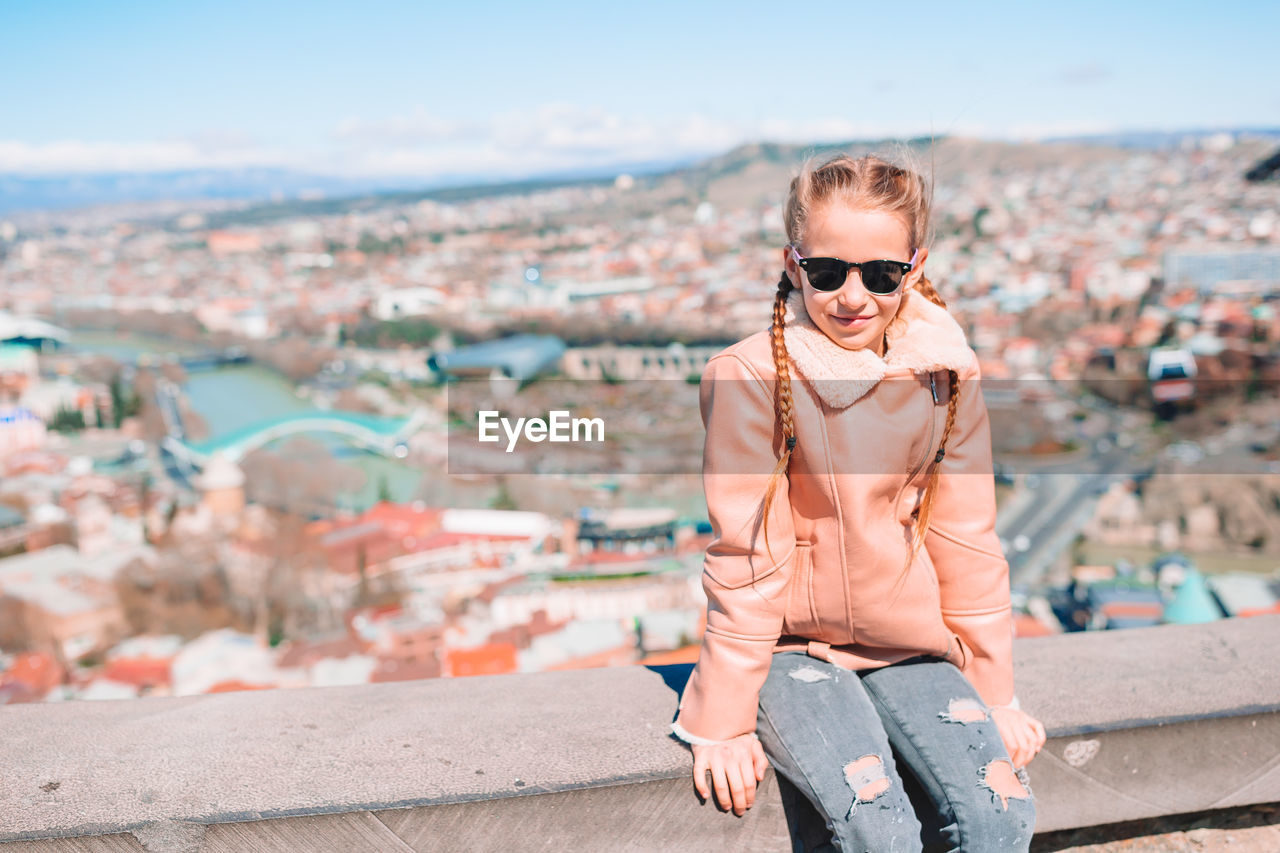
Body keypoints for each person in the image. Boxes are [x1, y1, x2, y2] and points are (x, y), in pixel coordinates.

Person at [670, 150, 1047, 851]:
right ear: (793, 264)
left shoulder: (946, 373)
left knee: (1001, 813)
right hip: (789, 647)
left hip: (909, 642)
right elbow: (747, 555)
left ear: (916, 268)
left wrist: (996, 691)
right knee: (878, 828)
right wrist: (720, 720)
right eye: (827, 271)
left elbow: (966, 539)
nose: (853, 296)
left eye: (881, 275)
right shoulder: (748, 376)